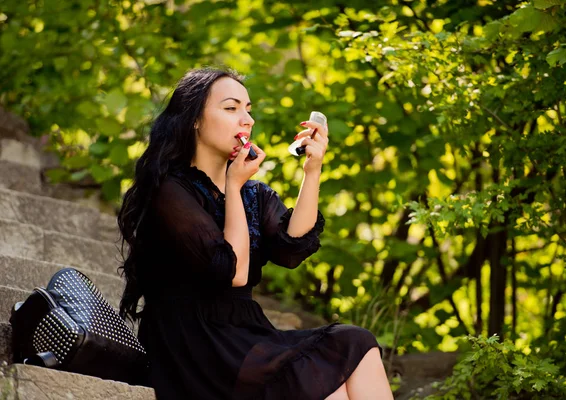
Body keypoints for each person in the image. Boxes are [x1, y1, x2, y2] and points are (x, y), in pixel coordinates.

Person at [117, 67, 393, 400]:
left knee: (356, 344)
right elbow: (232, 272)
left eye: (248, 109)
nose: (246, 119)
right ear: (195, 120)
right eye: (231, 108)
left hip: (246, 333)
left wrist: (313, 169)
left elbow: (291, 249)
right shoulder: (171, 190)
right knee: (322, 381)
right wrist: (233, 186)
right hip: (194, 343)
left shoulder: (254, 193)